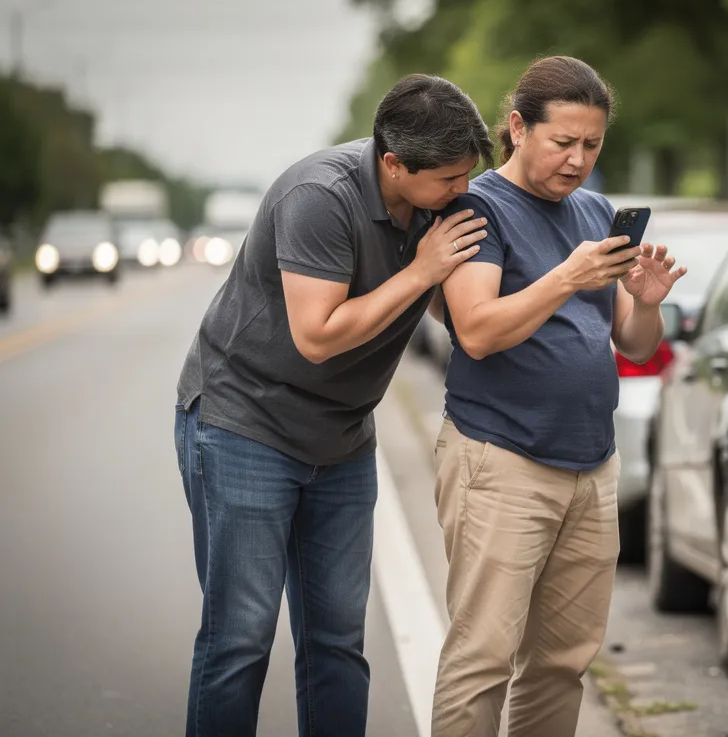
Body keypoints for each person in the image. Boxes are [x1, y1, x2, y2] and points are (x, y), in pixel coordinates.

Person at [174, 74, 492, 737]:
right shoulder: (321, 197)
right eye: (449, 180)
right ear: (393, 163)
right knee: (241, 637)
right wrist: (422, 272)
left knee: (337, 639)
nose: (462, 192)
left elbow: (453, 309)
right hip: (246, 423)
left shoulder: (437, 201)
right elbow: (316, 336)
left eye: (468, 176)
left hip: (342, 437)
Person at [429, 56, 685, 737]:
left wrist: (647, 304)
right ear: (517, 127)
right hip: (502, 460)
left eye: (592, 144)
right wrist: (567, 277)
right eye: (562, 141)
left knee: (562, 662)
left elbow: (630, 344)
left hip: (590, 466)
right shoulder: (477, 207)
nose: (577, 160)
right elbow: (477, 331)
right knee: (483, 656)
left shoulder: (596, 211)